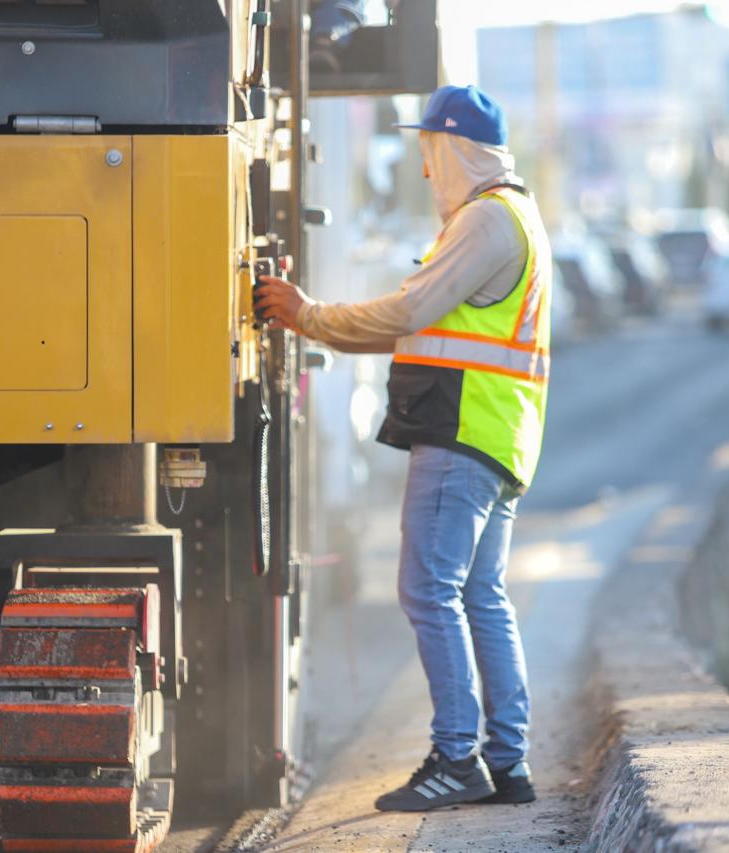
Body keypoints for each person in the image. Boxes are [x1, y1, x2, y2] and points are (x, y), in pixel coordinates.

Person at [255, 84, 550, 811]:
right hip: (499, 436)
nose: (425, 170)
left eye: (429, 151)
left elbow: (410, 308)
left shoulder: (485, 222)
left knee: (428, 589)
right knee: (481, 595)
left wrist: (309, 314)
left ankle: (457, 757)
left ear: (455, 148)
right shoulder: (517, 218)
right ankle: (507, 763)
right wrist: (317, 322)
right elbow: (424, 324)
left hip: (462, 434)